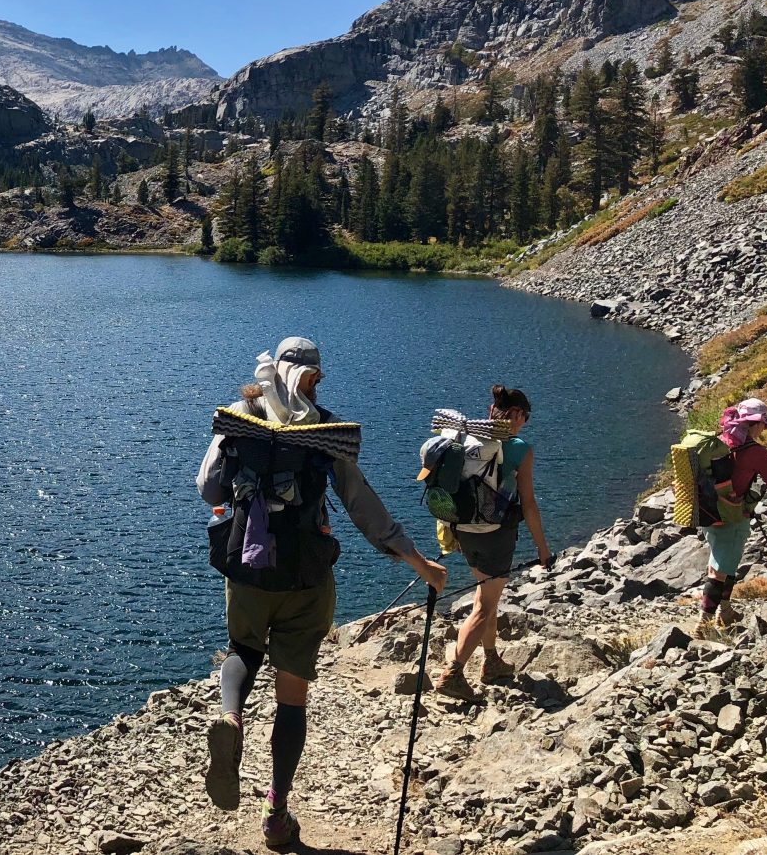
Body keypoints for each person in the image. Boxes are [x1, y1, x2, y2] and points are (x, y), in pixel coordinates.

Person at [196, 336, 448, 849]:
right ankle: (277, 814)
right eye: (318, 374)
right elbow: (363, 507)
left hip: (246, 569)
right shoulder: (327, 433)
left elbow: (209, 490)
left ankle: (230, 716)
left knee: (244, 650)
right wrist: (419, 563)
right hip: (306, 576)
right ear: (311, 376)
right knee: (292, 693)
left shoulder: (239, 418)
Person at [434, 385, 552, 702]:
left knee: (486, 596)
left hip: (463, 532)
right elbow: (528, 505)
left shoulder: (467, 440)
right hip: (495, 536)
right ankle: (453, 674)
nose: (523, 423)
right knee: (485, 607)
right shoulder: (519, 449)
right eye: (524, 417)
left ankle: (491, 661)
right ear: (515, 415)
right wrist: (542, 548)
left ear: (490, 411)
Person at [698, 397, 767, 634]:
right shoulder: (758, 453)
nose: (764, 428)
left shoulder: (720, 443)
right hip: (733, 516)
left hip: (708, 512)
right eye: (764, 423)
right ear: (755, 424)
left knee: (724, 561)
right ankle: (703, 625)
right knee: (719, 570)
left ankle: (725, 611)